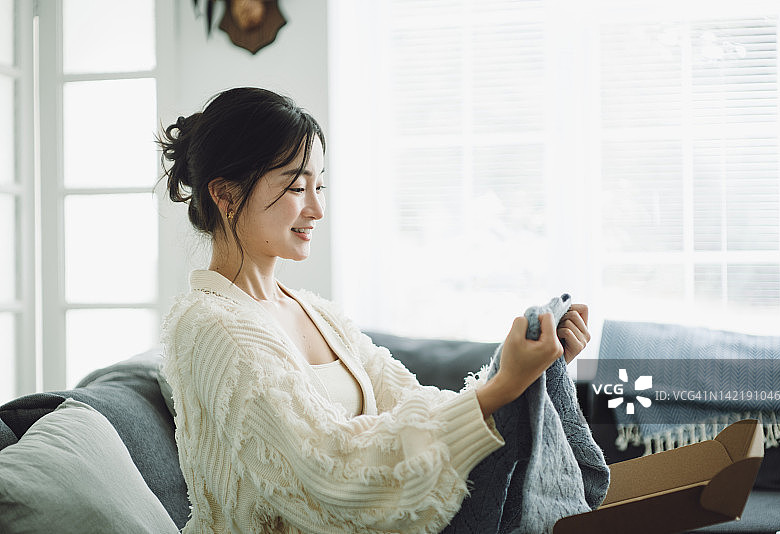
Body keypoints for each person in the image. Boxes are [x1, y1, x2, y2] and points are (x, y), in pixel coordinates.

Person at [158, 87, 609, 534]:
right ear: (226, 194)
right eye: (297, 187)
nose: (317, 208)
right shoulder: (208, 326)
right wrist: (503, 387)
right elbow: (327, 471)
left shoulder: (315, 313)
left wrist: (527, 377)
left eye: (319, 186)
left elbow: (414, 407)